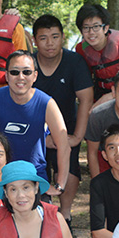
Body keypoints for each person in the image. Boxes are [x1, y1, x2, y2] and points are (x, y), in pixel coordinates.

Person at [0, 50, 69, 201]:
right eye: (15, 72)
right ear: (7, 76)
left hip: (34, 179)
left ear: (35, 76)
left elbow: (64, 145)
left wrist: (59, 185)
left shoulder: (46, 103)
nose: (20, 77)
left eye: (26, 72)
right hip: (1, 179)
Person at [31, 15, 94, 222]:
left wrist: (77, 137)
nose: (50, 43)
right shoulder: (28, 63)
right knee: (38, 169)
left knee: (70, 167)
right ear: (34, 40)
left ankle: (65, 215)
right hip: (35, 130)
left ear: (63, 37)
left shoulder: (74, 62)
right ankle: (42, 216)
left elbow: (86, 99)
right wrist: (39, 136)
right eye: (43, 38)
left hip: (68, 127)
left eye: (55, 37)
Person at [74, 4, 119, 104]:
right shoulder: (81, 49)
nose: (91, 32)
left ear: (105, 28)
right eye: (86, 28)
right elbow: (86, 80)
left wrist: (113, 95)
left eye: (96, 27)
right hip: (99, 97)